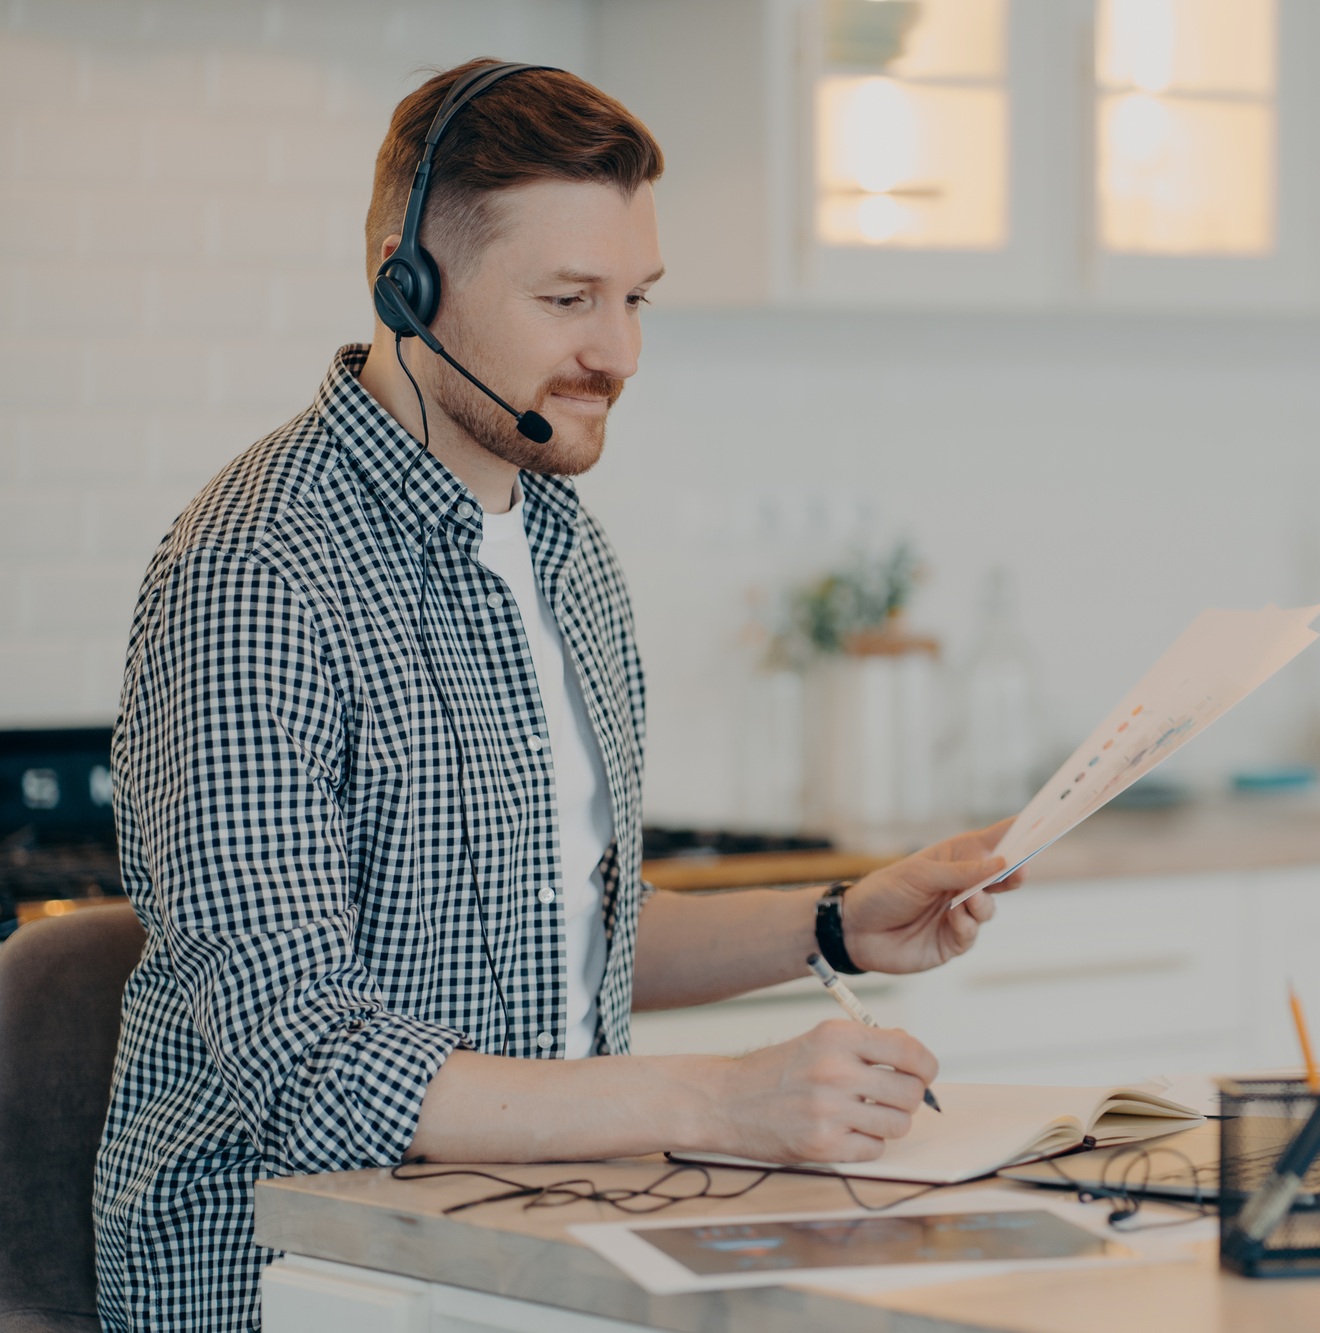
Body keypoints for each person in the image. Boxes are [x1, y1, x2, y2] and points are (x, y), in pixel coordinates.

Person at [93, 60, 1019, 1330]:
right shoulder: (258, 574)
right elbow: (305, 1066)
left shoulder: (562, 547)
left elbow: (567, 936)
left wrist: (836, 922)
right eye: (567, 298)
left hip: (529, 1240)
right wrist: (716, 1099)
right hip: (290, 1274)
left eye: (635, 297)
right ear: (402, 279)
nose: (618, 352)